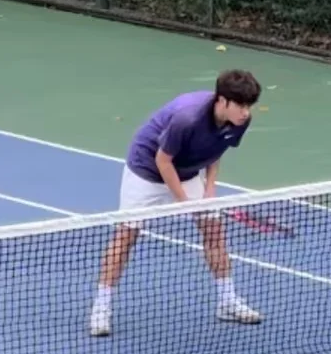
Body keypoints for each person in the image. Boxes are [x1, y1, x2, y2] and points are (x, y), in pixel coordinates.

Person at [89, 71, 263, 338]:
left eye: (248, 105)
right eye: (240, 105)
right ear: (222, 101)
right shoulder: (187, 118)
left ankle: (227, 301)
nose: (245, 112)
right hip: (146, 171)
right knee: (126, 236)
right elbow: (163, 161)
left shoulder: (241, 120)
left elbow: (217, 149)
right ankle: (101, 308)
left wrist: (209, 188)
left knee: (214, 232)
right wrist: (183, 201)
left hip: (188, 172)